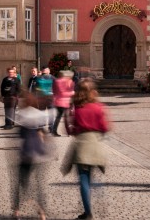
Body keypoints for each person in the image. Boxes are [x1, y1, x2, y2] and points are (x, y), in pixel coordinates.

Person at [64, 79, 109, 220]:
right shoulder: (99, 106)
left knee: (84, 179)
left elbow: (71, 129)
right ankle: (99, 205)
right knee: (92, 177)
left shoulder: (77, 108)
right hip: (96, 145)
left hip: (82, 145)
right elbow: (105, 127)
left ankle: (88, 212)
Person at [12, 91, 51, 220]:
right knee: (39, 184)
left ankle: (16, 211)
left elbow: (20, 135)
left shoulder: (22, 115)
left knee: (20, 182)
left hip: (26, 152)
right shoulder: (38, 115)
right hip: (39, 153)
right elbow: (43, 133)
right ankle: (42, 212)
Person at [51, 69, 74, 136]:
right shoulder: (65, 81)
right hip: (65, 102)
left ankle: (54, 131)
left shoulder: (56, 81)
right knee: (66, 117)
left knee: (59, 116)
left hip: (57, 101)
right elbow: (63, 93)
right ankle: (69, 132)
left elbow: (54, 91)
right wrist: (72, 93)